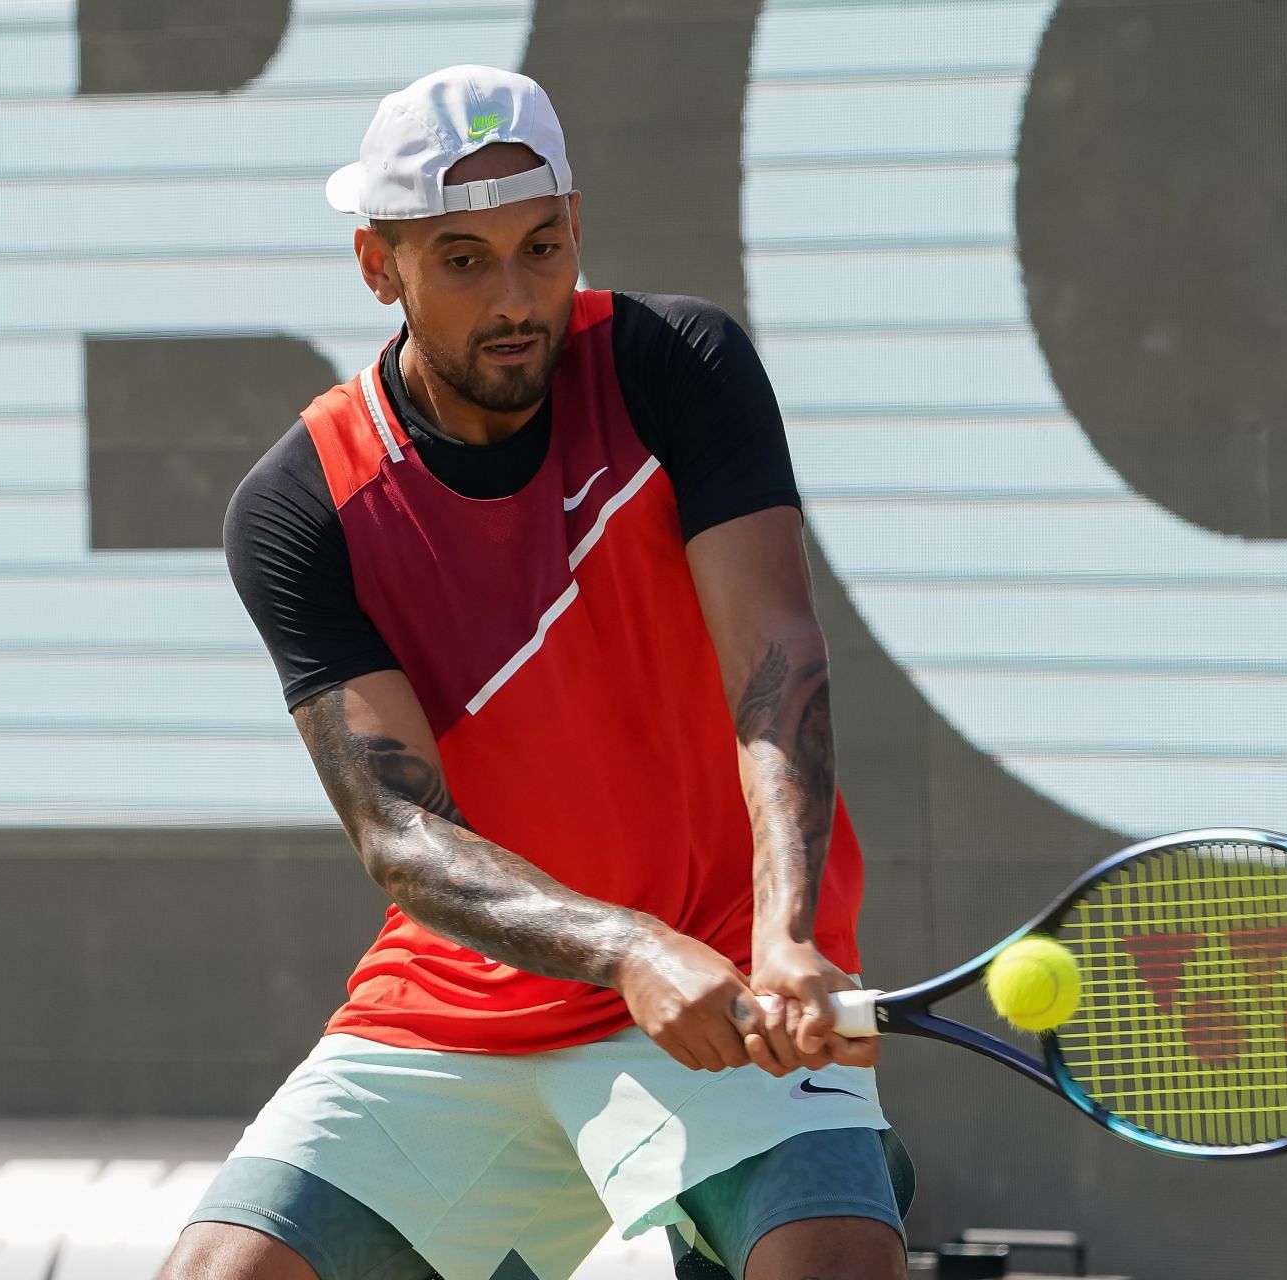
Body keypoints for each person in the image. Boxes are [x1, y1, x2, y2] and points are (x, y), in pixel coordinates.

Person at [160, 65, 912, 1280]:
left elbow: (778, 658)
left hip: (730, 957)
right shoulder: (302, 504)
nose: (516, 298)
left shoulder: (676, 364)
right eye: (462, 258)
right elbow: (402, 833)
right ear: (378, 265)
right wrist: (625, 946)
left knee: (831, 1259)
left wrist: (784, 932)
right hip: (465, 999)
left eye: (542, 246)